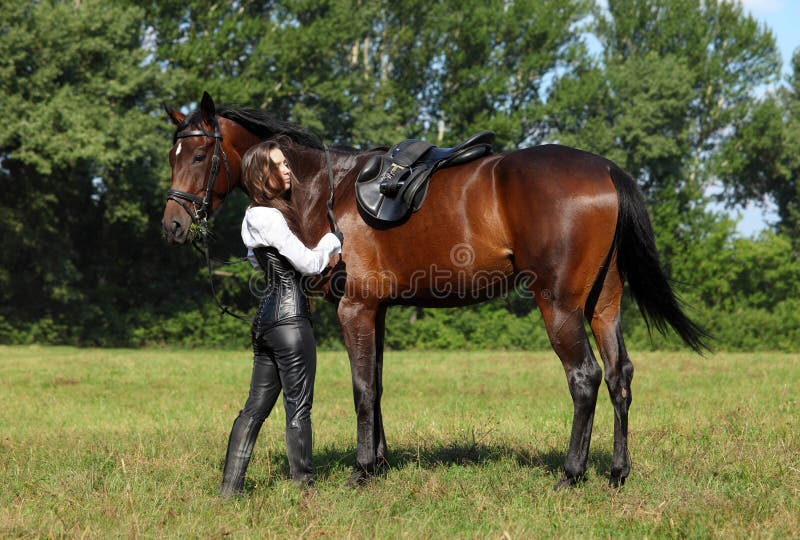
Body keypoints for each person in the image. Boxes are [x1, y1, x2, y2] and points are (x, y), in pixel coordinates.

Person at [219, 140, 342, 497]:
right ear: (262, 174)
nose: (288, 169)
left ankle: (230, 490)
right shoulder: (269, 215)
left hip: (266, 323)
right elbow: (310, 264)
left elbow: (259, 261)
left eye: (287, 163)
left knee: (254, 409)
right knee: (299, 408)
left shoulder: (252, 218)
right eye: (279, 164)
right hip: (290, 322)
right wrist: (332, 243)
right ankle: (305, 491)